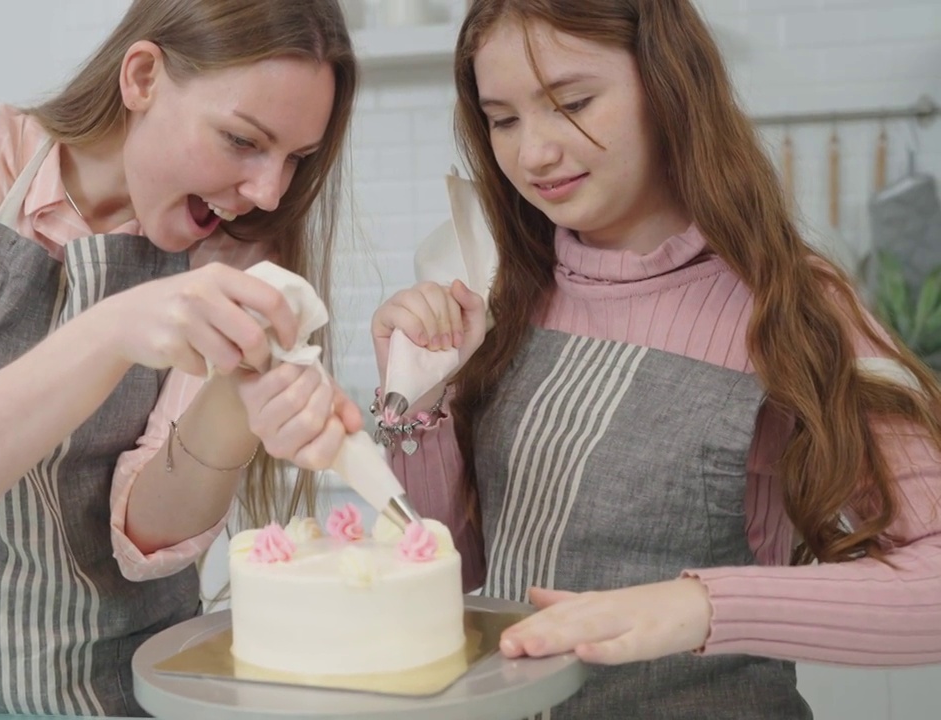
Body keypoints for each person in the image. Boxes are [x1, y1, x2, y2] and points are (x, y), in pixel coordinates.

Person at [371, 0, 941, 717]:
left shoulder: (793, 303)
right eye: (503, 118)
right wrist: (416, 399)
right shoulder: (501, 290)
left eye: (572, 102)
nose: (533, 153)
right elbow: (449, 578)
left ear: (668, 85)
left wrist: (700, 605)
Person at [0, 0, 362, 715]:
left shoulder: (243, 245)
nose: (267, 192)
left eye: (295, 159)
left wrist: (234, 399)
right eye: (241, 140)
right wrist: (110, 332)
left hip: (123, 686)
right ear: (142, 77)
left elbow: (149, 534)